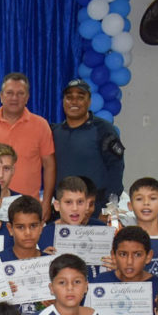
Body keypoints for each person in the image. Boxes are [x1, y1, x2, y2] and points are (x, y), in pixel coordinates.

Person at [0, 73, 56, 205]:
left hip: (28, 205)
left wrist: (46, 202)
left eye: (20, 93)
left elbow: (49, 166)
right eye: (9, 93)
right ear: (1, 96)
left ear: (27, 98)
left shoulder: (41, 125)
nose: (14, 98)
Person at [52, 79, 124, 218]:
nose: (74, 102)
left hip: (95, 209)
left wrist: (108, 209)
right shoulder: (55, 132)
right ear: (63, 101)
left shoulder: (103, 129)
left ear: (89, 101)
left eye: (80, 97)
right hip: (63, 210)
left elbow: (116, 168)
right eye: (69, 97)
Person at [0, 196, 49, 315]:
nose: (28, 232)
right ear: (10, 229)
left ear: (41, 227)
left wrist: (56, 304)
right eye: (20, 227)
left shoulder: (52, 264)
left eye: (33, 226)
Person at [91, 226, 158, 300]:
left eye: (137, 255)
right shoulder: (101, 282)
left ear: (148, 256)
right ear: (113, 256)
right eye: (123, 254)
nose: (129, 262)